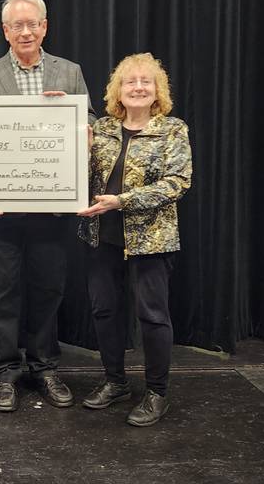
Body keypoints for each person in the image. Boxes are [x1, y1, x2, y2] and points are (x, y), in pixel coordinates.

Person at [0, 0, 97, 412]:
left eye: (33, 23)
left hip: (51, 206)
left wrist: (78, 121)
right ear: (5, 31)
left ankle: (44, 367)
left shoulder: (69, 72)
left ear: (45, 26)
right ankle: (4, 373)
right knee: (1, 293)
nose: (25, 31)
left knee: (48, 290)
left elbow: (92, 123)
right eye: (16, 25)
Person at [77, 52, 192, 427]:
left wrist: (122, 201)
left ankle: (157, 392)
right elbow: (78, 171)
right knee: (104, 311)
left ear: (157, 90)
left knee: (152, 316)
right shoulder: (104, 129)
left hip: (151, 240)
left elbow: (177, 182)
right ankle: (115, 382)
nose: (138, 87)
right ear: (118, 91)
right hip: (101, 236)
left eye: (146, 81)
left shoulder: (173, 129)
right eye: (130, 81)